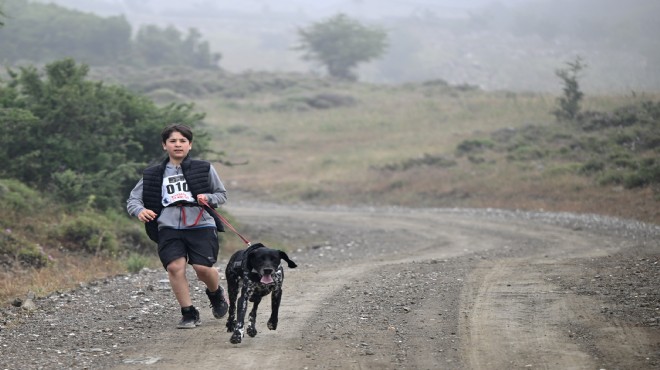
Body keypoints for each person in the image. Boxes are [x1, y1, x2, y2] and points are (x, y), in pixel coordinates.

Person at [127, 124, 229, 329]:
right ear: (164, 145)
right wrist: (139, 211)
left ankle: (216, 293)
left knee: (202, 269)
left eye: (183, 141)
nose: (178, 145)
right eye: (172, 141)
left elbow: (221, 195)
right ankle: (188, 312)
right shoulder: (153, 174)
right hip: (168, 226)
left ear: (190, 145)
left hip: (201, 224)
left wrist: (207, 197)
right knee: (175, 267)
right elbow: (133, 200)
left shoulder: (204, 168)